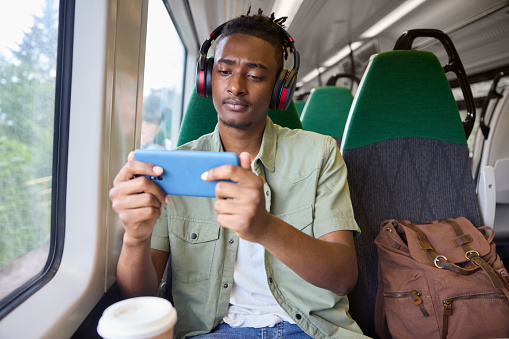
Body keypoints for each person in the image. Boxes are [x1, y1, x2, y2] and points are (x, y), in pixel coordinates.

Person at [109, 8, 366, 339]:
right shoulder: (173, 168)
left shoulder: (320, 153)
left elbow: (343, 276)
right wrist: (135, 238)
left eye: (256, 76)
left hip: (312, 330)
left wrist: (264, 227)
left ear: (279, 88)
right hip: (210, 331)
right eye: (224, 71)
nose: (236, 87)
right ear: (207, 79)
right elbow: (139, 300)